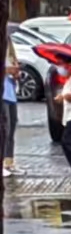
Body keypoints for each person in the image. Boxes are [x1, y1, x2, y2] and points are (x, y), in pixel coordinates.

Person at [3, 37, 18, 178]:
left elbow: (15, 73)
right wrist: (7, 70)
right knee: (4, 128)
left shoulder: (11, 55)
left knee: (11, 127)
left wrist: (16, 73)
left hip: (10, 93)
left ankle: (9, 162)